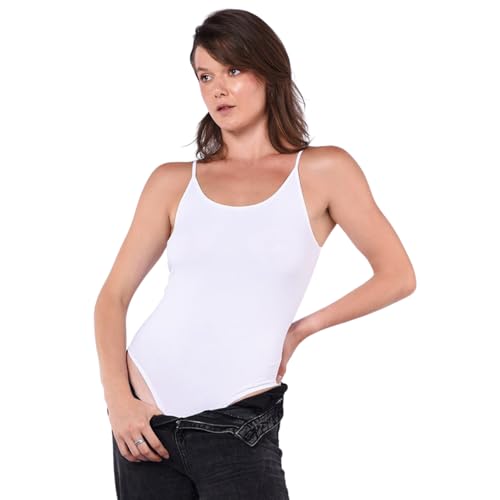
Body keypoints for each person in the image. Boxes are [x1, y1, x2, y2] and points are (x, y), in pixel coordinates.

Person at [94, 8, 416, 500]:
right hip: (145, 421)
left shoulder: (324, 171)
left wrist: (301, 329)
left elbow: (397, 275)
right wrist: (119, 400)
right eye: (205, 76)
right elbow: (112, 298)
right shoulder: (172, 182)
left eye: (234, 70)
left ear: (269, 73)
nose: (218, 89)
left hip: (240, 422)